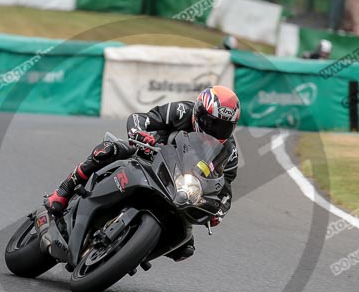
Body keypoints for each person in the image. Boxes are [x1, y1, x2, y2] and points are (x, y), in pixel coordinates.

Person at [44, 86, 241, 261]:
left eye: (224, 127)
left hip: (181, 187)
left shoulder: (229, 151)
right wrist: (139, 133)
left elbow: (225, 187)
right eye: (211, 123)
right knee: (109, 149)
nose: (215, 131)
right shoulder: (181, 111)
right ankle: (63, 191)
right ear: (198, 113)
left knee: (185, 247)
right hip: (148, 156)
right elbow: (140, 118)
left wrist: (219, 211)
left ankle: (132, 253)